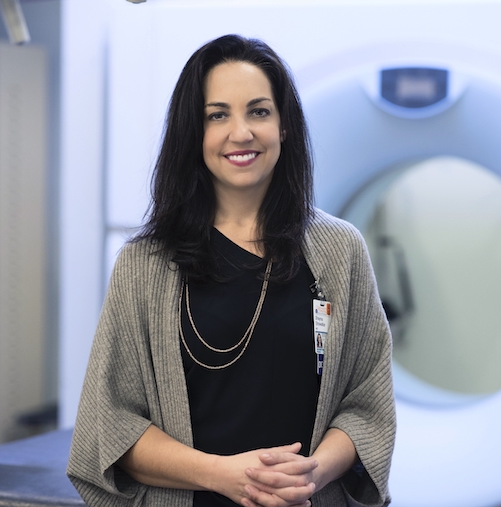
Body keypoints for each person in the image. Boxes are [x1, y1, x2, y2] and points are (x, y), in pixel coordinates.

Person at [67, 34, 396, 507]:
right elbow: (111, 428)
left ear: (284, 126)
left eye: (259, 111)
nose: (240, 132)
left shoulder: (339, 250)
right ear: (193, 133)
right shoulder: (144, 264)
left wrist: (309, 474)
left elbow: (367, 406)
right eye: (217, 115)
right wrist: (225, 476)